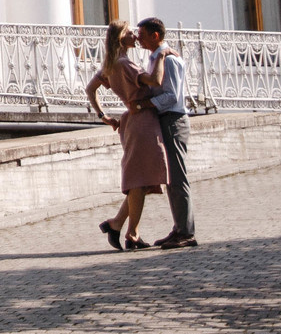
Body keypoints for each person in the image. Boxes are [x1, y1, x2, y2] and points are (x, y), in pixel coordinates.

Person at [83, 21, 167, 250]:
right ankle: (132, 233)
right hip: (142, 121)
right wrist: (162, 55)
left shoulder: (111, 64)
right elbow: (154, 80)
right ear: (121, 38)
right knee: (140, 180)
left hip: (132, 120)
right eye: (131, 33)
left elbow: (90, 89)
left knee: (141, 179)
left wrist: (104, 116)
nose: (135, 36)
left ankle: (118, 224)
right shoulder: (124, 64)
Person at [136, 17, 198, 249]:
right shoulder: (157, 58)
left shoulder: (169, 60)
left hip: (173, 120)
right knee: (171, 178)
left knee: (178, 177)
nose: (138, 38)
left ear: (156, 35)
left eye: (142, 34)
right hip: (166, 120)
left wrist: (145, 104)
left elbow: (171, 96)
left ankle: (186, 232)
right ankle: (179, 228)